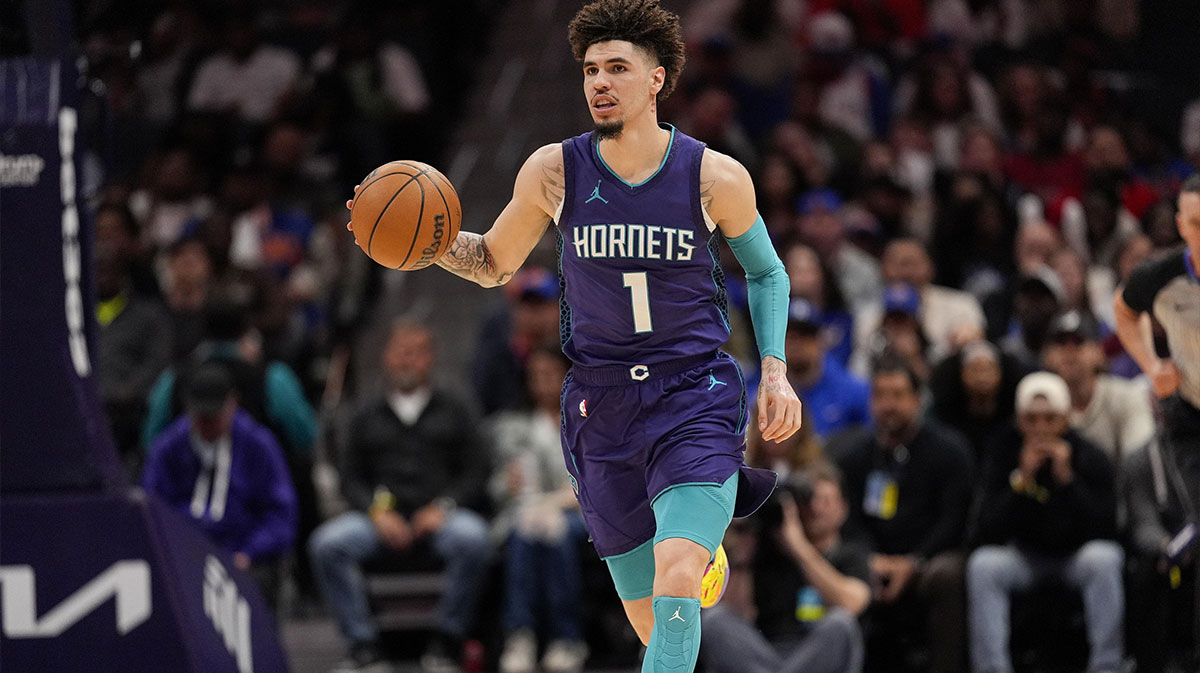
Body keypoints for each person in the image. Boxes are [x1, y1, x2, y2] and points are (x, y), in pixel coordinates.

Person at [346, 3, 803, 672]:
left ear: (657, 79)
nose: (600, 82)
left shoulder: (716, 176)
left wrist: (774, 368)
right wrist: (429, 243)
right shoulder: (552, 171)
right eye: (591, 70)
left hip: (693, 397)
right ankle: (695, 551)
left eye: (617, 68)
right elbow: (493, 260)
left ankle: (692, 545)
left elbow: (767, 272)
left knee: (676, 574)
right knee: (653, 621)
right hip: (600, 406)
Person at [308, 321, 491, 673]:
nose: (407, 360)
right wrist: (376, 513)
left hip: (440, 518)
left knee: (475, 539)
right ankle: (363, 647)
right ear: (385, 357)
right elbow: (350, 477)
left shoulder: (456, 407)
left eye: (416, 351)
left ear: (431, 358)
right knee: (327, 544)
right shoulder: (365, 412)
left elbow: (476, 471)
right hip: (380, 519)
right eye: (400, 351)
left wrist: (444, 507)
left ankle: (448, 642)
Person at [968, 371, 1123, 673]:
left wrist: (1068, 482)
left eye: (1050, 418)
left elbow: (1106, 528)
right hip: (1024, 558)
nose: (1040, 428)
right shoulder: (1003, 451)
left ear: (1066, 419)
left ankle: (1107, 667)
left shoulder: (1090, 456)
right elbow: (984, 530)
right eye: (1031, 419)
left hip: (1075, 559)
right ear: (1018, 420)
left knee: (1105, 559)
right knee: (983, 565)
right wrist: (1021, 482)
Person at [827, 356, 973, 673]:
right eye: (880, 395)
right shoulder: (855, 456)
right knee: (843, 565)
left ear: (918, 400)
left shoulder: (949, 451)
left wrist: (915, 560)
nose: (888, 405)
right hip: (873, 560)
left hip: (928, 559)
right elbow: (847, 518)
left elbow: (955, 520)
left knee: (948, 574)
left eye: (898, 395)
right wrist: (869, 557)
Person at [142, 362, 298, 609]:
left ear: (233, 403)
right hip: (182, 556)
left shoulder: (258, 445)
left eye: (214, 418)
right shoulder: (168, 448)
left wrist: (250, 552)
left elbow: (281, 514)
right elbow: (153, 507)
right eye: (201, 418)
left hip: (243, 556)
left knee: (258, 582)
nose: (208, 426)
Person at [701, 463, 870, 673]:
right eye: (810, 500)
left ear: (844, 509)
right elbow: (739, 613)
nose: (816, 508)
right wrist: (743, 555)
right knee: (715, 619)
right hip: (763, 651)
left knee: (841, 624)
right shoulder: (769, 546)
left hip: (815, 649)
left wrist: (799, 548)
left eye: (826, 501)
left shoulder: (852, 553)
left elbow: (852, 603)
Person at [488, 347, 590, 673]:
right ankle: (520, 634)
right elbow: (497, 488)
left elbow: (600, 483)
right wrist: (509, 484)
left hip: (582, 514)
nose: (543, 383)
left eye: (550, 374)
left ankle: (567, 636)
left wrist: (555, 505)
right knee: (525, 533)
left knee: (557, 533)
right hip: (528, 514)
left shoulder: (589, 418)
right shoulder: (512, 426)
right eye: (536, 376)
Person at [1114, 174, 1200, 449]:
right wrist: (1152, 365)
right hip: (1192, 417)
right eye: (1196, 224)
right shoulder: (1159, 277)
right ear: (1181, 225)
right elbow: (1123, 310)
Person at [1041, 309, 1154, 469]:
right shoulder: (1041, 406)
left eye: (1079, 342)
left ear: (1099, 352)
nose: (1069, 351)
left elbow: (1140, 461)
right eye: (1061, 343)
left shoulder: (1126, 397)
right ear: (1047, 355)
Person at [785, 298, 870, 440]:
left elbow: (870, 441)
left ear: (820, 340)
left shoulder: (853, 391)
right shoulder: (763, 390)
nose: (796, 344)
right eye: (790, 336)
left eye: (805, 336)